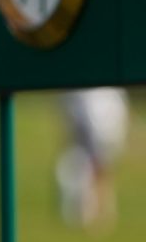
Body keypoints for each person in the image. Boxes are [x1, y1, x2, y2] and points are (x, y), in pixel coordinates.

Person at [55, 87, 129, 232]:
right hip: (93, 122)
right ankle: (91, 210)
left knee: (99, 167)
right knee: (88, 166)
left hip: (101, 124)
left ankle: (99, 211)